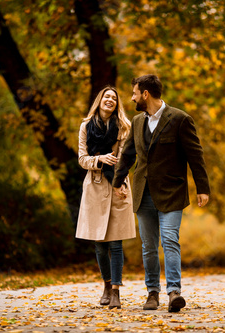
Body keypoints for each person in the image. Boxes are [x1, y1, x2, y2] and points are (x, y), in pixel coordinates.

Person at [113, 74, 210, 312]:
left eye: (135, 93)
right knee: (148, 245)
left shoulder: (180, 119)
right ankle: (152, 293)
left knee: (169, 240)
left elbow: (195, 156)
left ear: (145, 94)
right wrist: (117, 182)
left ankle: (174, 292)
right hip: (143, 191)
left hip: (172, 192)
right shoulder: (136, 122)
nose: (132, 97)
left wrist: (203, 188)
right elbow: (127, 154)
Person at [76, 86, 136, 309]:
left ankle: (117, 292)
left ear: (117, 104)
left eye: (114, 98)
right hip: (95, 185)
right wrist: (99, 159)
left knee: (116, 242)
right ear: (99, 101)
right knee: (99, 244)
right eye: (106, 97)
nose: (110, 100)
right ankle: (107, 285)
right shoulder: (85, 127)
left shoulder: (124, 128)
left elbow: (127, 158)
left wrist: (119, 180)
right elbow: (82, 159)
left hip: (117, 185)